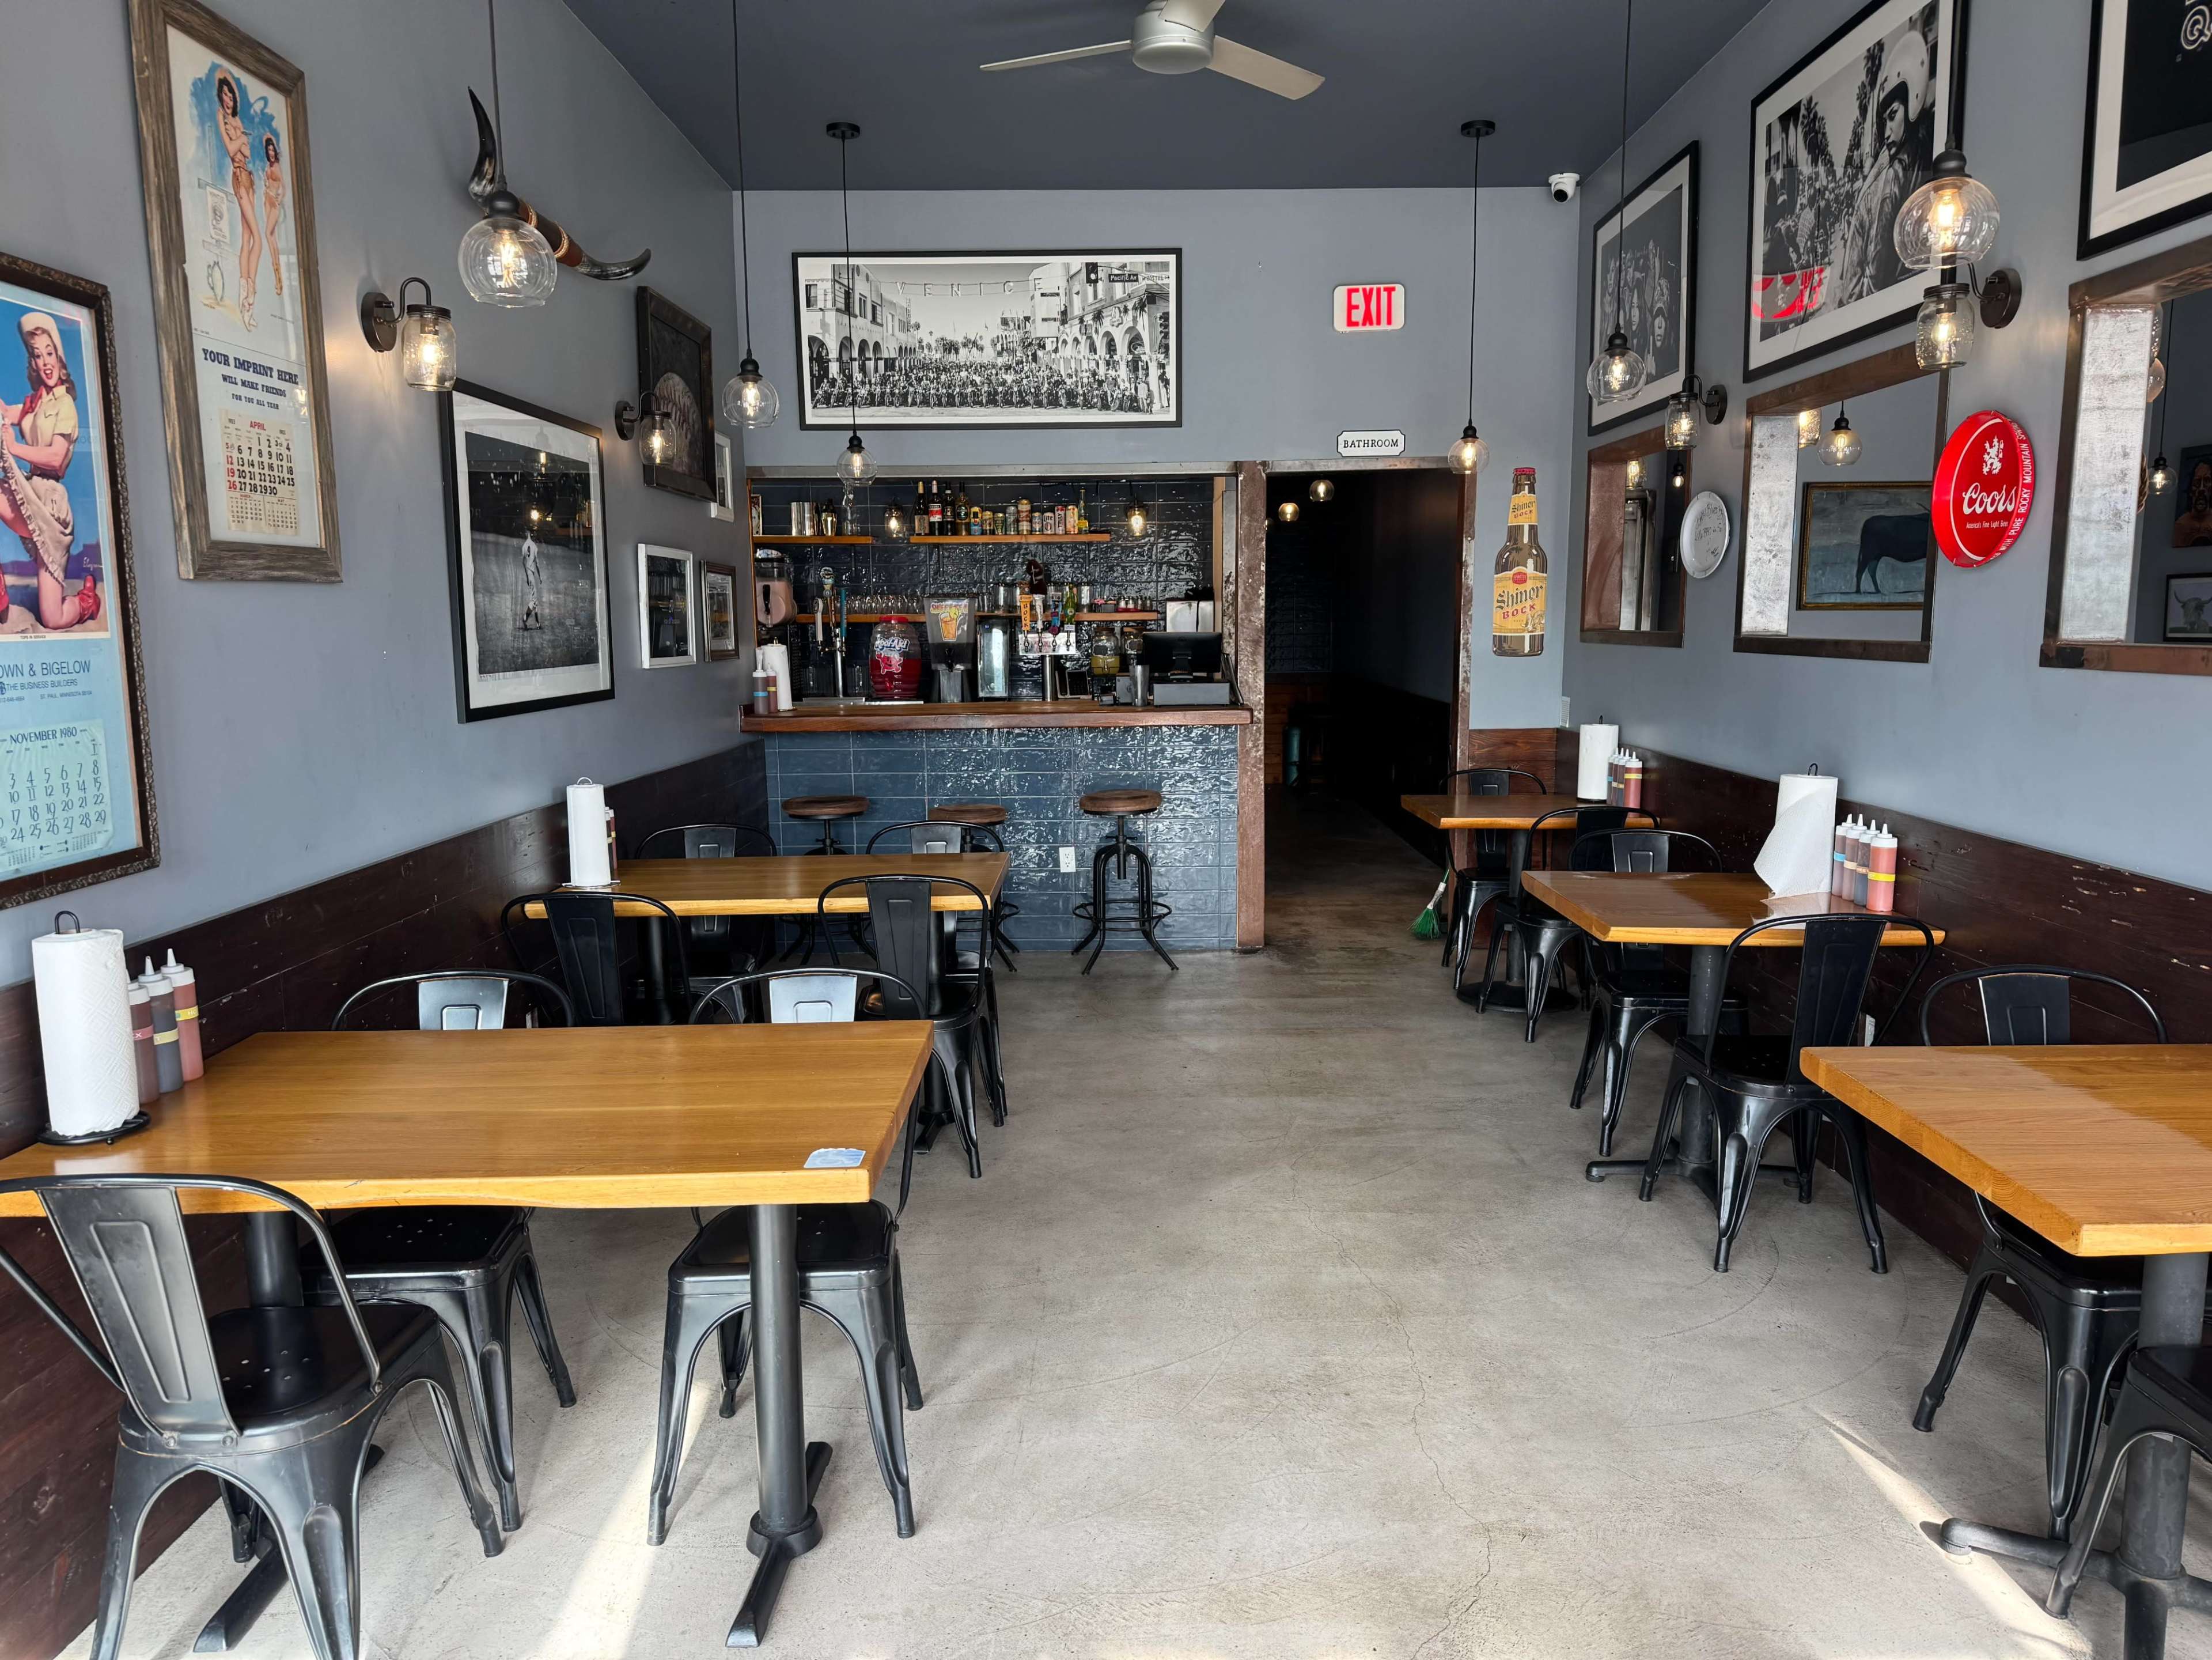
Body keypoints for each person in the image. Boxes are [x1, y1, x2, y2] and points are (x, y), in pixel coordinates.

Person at [0, 313, 100, 630]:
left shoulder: (65, 405)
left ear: (60, 355)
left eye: (49, 352)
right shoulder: (36, 402)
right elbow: (7, 412)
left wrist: (14, 448)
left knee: (53, 619)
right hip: (31, 493)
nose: (45, 362)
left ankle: (86, 602)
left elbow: (57, 459)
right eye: (38, 355)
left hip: (51, 505)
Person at [1834, 31, 1929, 307]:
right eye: (1884, 121)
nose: (1886, 131)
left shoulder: (1898, 173)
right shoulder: (1901, 169)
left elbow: (1874, 279)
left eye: (1892, 117)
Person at [216, 72, 260, 330]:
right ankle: (249, 298)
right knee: (258, 239)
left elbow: (248, 152)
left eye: (231, 95)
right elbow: (233, 150)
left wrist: (241, 140)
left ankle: (247, 306)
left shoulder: (237, 120)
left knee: (247, 240)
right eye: (225, 94)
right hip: (240, 177)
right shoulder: (222, 118)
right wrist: (241, 139)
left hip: (250, 178)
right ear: (220, 97)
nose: (229, 99)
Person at [260, 133, 286, 300]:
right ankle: (276, 273)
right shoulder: (268, 167)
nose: (270, 152)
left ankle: (278, 272)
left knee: (269, 234)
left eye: (272, 149)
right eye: (268, 149)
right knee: (272, 237)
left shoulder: (276, 167)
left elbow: (283, 187)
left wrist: (280, 198)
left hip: (274, 203)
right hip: (266, 201)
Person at [520, 526, 543, 629]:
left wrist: (527, 576)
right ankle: (525, 618)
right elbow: (537, 564)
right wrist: (540, 576)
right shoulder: (534, 546)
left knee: (535, 599)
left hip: (529, 574)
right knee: (534, 600)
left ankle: (538, 624)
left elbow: (523, 562)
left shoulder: (525, 546)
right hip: (532, 574)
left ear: (527, 533)